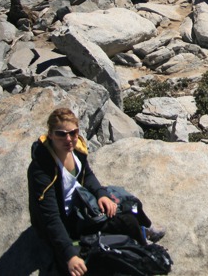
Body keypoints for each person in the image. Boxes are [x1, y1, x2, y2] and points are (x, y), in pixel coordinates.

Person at [27, 107, 165, 276]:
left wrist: (101, 194)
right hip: (66, 222)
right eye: (61, 134)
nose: (68, 139)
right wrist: (69, 254)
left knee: (129, 216)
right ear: (50, 134)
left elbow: (88, 175)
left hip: (81, 206)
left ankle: (145, 250)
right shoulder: (42, 168)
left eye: (73, 132)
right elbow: (51, 218)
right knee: (87, 267)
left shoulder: (76, 150)